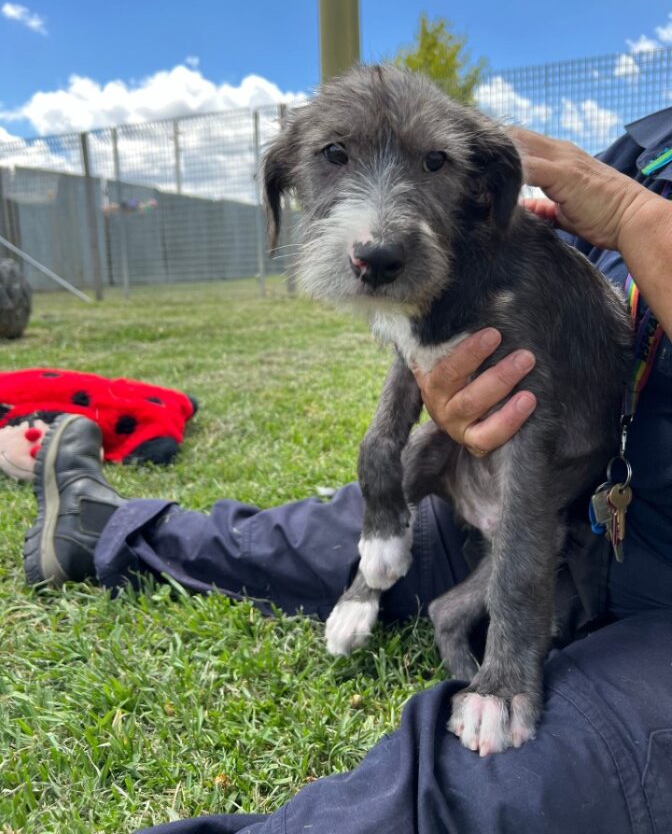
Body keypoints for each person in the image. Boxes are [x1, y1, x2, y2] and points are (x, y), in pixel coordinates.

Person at [22, 112, 672, 834]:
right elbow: (513, 284)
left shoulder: (627, 183)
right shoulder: (648, 144)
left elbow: (603, 226)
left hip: (653, 590)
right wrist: (449, 394)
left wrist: (634, 217)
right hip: (532, 490)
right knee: (307, 536)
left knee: (470, 792)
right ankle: (104, 526)